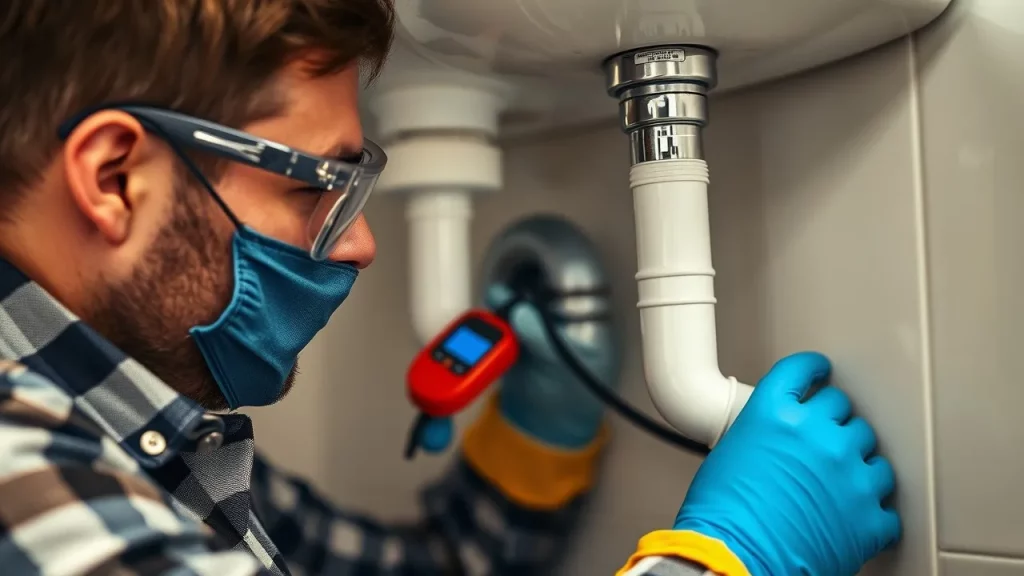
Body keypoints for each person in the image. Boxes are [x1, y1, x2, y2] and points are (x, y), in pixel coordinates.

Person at [0, 2, 899, 575]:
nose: (357, 244)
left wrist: (532, 446)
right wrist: (724, 561)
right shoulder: (22, 477)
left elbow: (419, 569)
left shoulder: (144, 441)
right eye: (313, 185)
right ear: (116, 178)